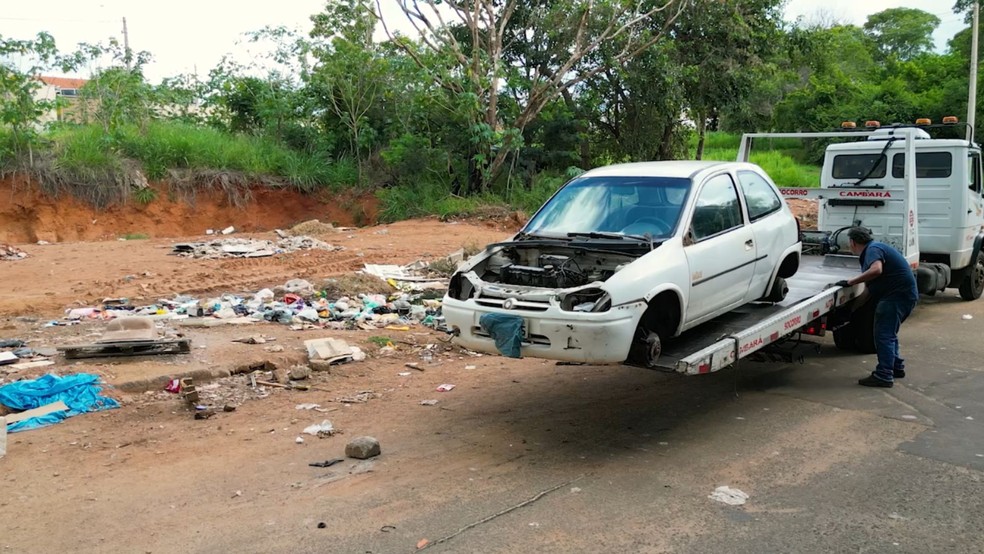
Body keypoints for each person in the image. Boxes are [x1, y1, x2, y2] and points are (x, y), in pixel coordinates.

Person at [834, 227, 918, 388]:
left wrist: (850, 282)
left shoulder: (872, 250)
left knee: (884, 335)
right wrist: (851, 311)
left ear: (852, 242)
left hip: (896, 298)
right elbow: (868, 291)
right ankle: (896, 367)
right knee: (890, 333)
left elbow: (876, 270)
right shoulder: (875, 248)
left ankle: (884, 375)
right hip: (904, 296)